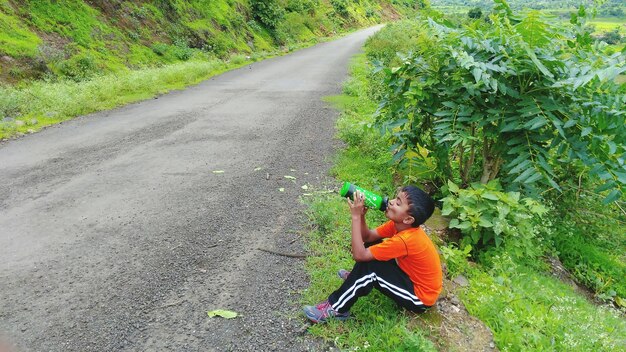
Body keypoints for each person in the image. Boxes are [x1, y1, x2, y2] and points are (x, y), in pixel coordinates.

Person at [303, 185, 442, 323]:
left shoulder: (406, 240)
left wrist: (356, 217)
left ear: (408, 219)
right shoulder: (398, 225)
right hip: (408, 276)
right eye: (395, 198)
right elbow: (368, 237)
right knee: (373, 247)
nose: (392, 201)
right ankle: (356, 278)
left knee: (371, 268)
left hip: (419, 298)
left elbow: (359, 255)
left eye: (398, 203)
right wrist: (362, 216)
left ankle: (337, 308)